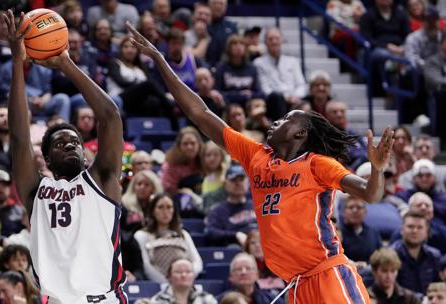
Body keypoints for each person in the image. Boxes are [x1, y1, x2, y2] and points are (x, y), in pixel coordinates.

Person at [127, 21, 395, 302]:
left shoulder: (317, 164)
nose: (275, 121)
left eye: (285, 119)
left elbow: (371, 194)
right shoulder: (256, 156)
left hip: (327, 273)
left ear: (301, 132)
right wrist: (159, 60)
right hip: (295, 283)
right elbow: (200, 112)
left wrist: (376, 170)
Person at [5, 10, 127, 303]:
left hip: (102, 298)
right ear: (46, 159)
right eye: (60, 144)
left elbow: (110, 117)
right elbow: (20, 138)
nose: (70, 145)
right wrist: (17, 63)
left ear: (86, 153)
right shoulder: (37, 191)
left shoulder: (103, 178)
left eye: (75, 141)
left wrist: (65, 62)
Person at [133, 193, 203, 283]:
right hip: (158, 284)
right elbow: (146, 265)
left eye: (169, 207)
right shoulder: (141, 235)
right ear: (153, 211)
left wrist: (185, 277)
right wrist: (166, 282)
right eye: (160, 207)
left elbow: (197, 262)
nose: (165, 211)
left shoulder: (183, 234)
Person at [253, 27, 306, 121]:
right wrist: (286, 98)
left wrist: (295, 96)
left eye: (277, 38)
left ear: (282, 41)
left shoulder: (292, 61)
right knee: (277, 97)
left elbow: (301, 85)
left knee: (306, 105)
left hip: (294, 99)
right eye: (270, 39)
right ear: (265, 42)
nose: (274, 42)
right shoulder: (258, 63)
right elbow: (265, 89)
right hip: (274, 102)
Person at [205, 163, 257, 246]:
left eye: (241, 179)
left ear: (247, 181)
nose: (238, 183)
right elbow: (211, 232)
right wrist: (235, 235)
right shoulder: (217, 211)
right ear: (225, 184)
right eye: (233, 180)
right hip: (236, 248)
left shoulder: (258, 205)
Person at [390, 211, 441, 294]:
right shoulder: (391, 255)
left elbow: (438, 286)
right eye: (410, 227)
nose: (415, 231)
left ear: (426, 231)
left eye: (420, 227)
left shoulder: (434, 256)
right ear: (402, 229)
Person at [150, 258, 217, 304]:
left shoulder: (207, 299)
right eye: (178, 272)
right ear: (169, 276)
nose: (184, 275)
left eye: (188, 271)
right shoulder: (157, 301)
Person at [160, 127, 204, 194]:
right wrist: (180, 192)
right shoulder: (170, 164)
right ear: (179, 146)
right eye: (185, 144)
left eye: (193, 143)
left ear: (199, 144)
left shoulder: (206, 159)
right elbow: (168, 189)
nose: (189, 147)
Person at [340, 196, 382, 264]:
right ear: (343, 212)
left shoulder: (373, 232)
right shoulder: (336, 233)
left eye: (359, 207)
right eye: (351, 207)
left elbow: (380, 255)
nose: (355, 210)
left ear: (365, 212)